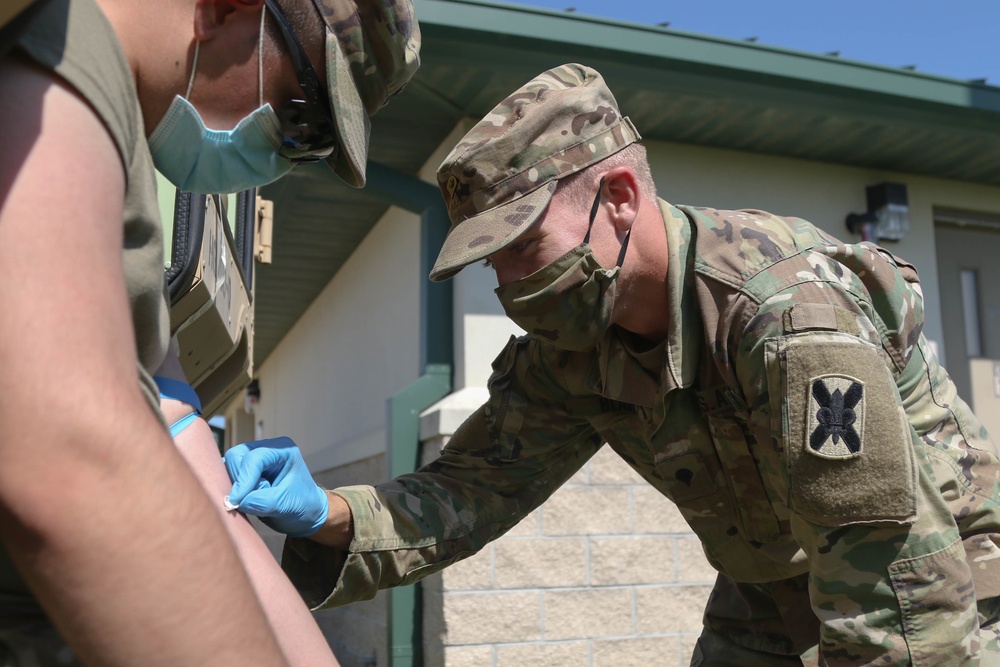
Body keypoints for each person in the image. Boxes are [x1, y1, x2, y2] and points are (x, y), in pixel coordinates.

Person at [224, 63, 1000, 665]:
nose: (508, 285)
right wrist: (326, 513)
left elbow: (893, 585)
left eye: (524, 245)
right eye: (492, 263)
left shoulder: (787, 317)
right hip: (770, 581)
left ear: (621, 196)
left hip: (941, 577)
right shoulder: (573, 349)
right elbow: (471, 490)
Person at [0, 0, 419, 664]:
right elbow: (69, 455)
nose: (285, 162)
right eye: (301, 123)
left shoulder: (118, 138)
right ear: (226, 8)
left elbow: (175, 430)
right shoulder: (60, 62)